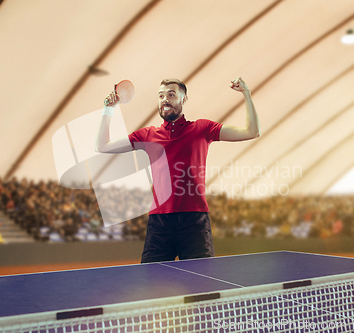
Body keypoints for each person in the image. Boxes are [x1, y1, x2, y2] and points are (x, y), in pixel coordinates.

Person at [96, 77, 260, 263]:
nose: (165, 99)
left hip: (194, 222)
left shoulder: (202, 128)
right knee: (151, 284)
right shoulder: (147, 135)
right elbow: (102, 146)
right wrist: (109, 109)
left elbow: (252, 131)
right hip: (160, 223)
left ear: (184, 99)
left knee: (201, 284)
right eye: (161, 95)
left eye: (171, 94)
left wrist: (246, 93)